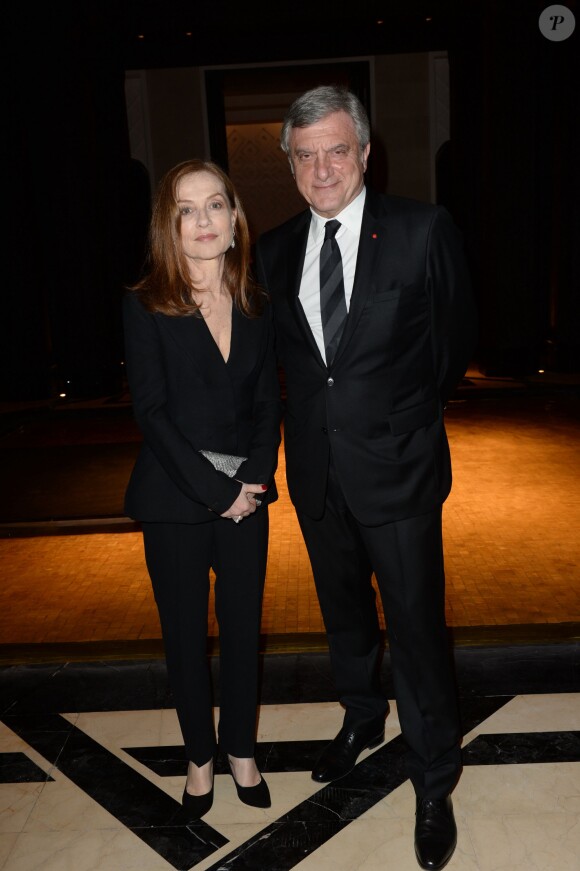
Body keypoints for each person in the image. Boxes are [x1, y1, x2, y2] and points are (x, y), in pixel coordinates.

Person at [255, 86, 478, 870]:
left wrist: (400, 423)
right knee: (343, 612)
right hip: (317, 470)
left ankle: (434, 777)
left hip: (400, 470)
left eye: (336, 150)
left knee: (416, 628)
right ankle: (359, 716)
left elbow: (451, 345)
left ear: (365, 152)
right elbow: (286, 367)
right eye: (305, 154)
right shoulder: (275, 249)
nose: (322, 168)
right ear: (289, 162)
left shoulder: (421, 230)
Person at [122, 159, 282, 819]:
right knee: (186, 635)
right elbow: (151, 414)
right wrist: (220, 493)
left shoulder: (256, 294)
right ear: (170, 223)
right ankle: (199, 755)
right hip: (176, 499)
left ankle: (240, 746)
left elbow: (271, 396)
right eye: (188, 209)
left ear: (233, 214)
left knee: (244, 629)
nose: (204, 221)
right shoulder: (143, 301)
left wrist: (253, 476)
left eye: (215, 205)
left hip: (248, 492)